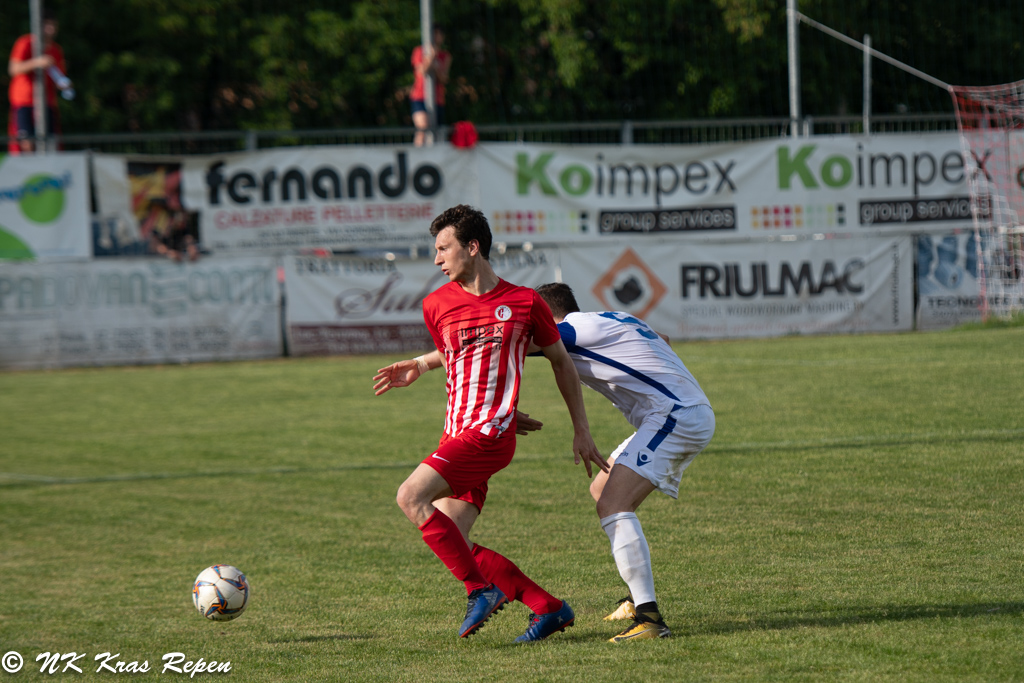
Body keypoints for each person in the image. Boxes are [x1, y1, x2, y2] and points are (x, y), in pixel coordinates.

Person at [373, 205, 607, 642]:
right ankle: (549, 608)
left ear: (473, 247)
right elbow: (461, 351)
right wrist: (422, 365)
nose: (437, 259)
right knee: (453, 539)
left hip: (488, 437)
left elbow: (560, 362)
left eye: (444, 248)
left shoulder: (524, 302)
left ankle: (481, 590)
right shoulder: (435, 304)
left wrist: (582, 429)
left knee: (409, 496)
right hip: (456, 433)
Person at [529, 282, 716, 643]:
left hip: (674, 415)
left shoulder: (573, 329)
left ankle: (649, 618)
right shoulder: (610, 318)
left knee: (615, 504)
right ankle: (635, 599)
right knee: (602, 488)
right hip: (673, 413)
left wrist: (429, 360)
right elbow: (661, 337)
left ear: (545, 313)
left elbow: (512, 344)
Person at [7, 10, 72, 154]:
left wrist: (65, 85)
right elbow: (13, 68)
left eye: (53, 25)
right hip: (24, 101)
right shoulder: (25, 43)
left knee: (51, 142)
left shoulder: (56, 50)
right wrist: (36, 62)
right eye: (47, 25)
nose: (51, 29)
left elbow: (60, 78)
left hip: (47, 102)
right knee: (26, 142)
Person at [410, 24, 451, 147]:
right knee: (423, 128)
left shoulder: (445, 56)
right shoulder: (419, 51)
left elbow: (444, 79)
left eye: (438, 34)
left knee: (436, 133)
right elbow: (421, 71)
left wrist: (437, 68)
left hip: (437, 99)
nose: (436, 37)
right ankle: (417, 157)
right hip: (420, 96)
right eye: (434, 33)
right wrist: (431, 58)